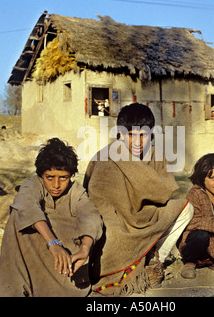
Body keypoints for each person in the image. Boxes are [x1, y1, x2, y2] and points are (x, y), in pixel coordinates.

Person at [83, 103, 193, 295]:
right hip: (115, 218)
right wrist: (115, 223)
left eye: (142, 135)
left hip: (147, 215)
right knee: (115, 237)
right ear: (120, 134)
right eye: (130, 135)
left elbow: (164, 191)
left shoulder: (157, 155)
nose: (136, 141)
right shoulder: (106, 157)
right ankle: (138, 260)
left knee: (186, 208)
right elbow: (97, 199)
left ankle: (156, 255)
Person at [0, 138, 103, 297]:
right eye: (50, 177)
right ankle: (17, 287)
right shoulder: (32, 184)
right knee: (17, 215)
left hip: (64, 272)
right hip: (37, 259)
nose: (56, 185)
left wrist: (84, 249)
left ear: (71, 175)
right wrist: (53, 243)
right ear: (41, 175)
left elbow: (91, 216)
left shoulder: (76, 191)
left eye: (63, 177)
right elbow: (27, 205)